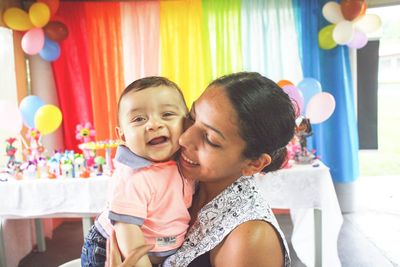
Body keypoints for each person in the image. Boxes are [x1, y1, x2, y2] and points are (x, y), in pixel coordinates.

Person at [108, 72, 296, 267]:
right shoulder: (176, 174)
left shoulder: (250, 239)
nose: (184, 139)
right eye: (191, 117)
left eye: (210, 139)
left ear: (253, 164)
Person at [81, 76, 194, 267]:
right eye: (139, 119)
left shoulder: (184, 161)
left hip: (161, 250)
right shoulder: (133, 175)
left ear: (187, 122)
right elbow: (127, 230)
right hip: (114, 249)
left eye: (167, 114)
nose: (154, 124)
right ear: (122, 135)